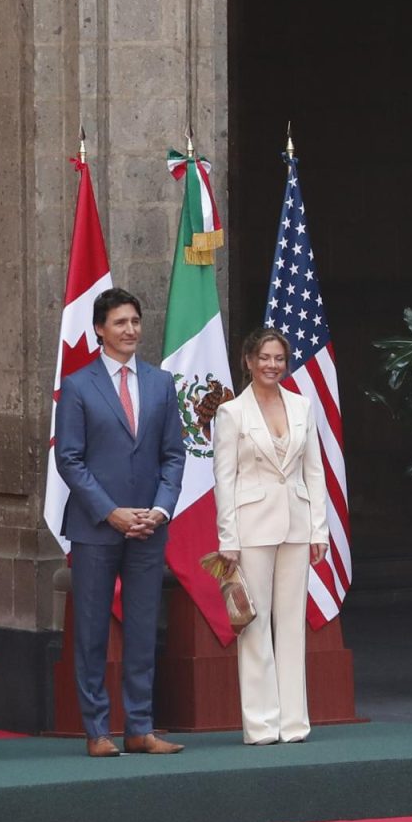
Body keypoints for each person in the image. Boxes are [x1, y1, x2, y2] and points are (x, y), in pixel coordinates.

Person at [54, 288, 188, 757]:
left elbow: (174, 455)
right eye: (120, 322)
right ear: (99, 329)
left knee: (143, 629)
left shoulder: (160, 383)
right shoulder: (77, 385)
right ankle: (96, 730)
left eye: (135, 321)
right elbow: (69, 460)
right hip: (96, 527)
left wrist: (160, 508)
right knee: (91, 629)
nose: (130, 330)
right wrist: (110, 511)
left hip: (149, 527)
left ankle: (139, 727)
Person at [212, 328, 329, 745]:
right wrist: (228, 539)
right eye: (264, 357)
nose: (272, 365)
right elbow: (224, 480)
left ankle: (294, 723)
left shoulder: (302, 405)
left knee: (292, 623)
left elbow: (314, 471)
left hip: (297, 525)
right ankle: (261, 724)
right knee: (254, 624)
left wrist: (319, 529)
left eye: (279, 358)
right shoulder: (231, 413)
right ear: (248, 360)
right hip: (250, 528)